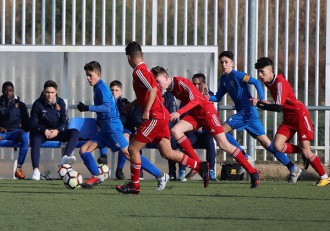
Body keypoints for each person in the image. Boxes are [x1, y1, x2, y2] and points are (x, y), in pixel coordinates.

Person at [116, 41, 209, 194]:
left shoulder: (138, 71)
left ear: (128, 58)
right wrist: (132, 105)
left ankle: (134, 185)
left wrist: (145, 110)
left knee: (132, 148)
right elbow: (149, 92)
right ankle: (200, 166)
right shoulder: (145, 70)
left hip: (155, 117)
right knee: (167, 152)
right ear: (142, 55)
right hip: (162, 115)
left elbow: (153, 89)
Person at [151, 66, 260, 188]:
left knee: (223, 145)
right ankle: (200, 165)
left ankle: (253, 172)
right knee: (176, 131)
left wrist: (179, 113)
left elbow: (196, 100)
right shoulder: (169, 89)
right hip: (195, 115)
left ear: (166, 77)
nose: (157, 85)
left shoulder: (180, 82)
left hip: (207, 112)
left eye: (158, 82)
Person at [206, 51, 301, 183]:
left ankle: (245, 157)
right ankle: (292, 168)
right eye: (221, 62)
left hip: (247, 112)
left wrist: (262, 99)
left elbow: (256, 82)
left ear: (232, 63)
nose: (223, 64)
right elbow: (217, 97)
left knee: (220, 132)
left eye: (226, 62)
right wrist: (205, 97)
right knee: (267, 143)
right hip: (247, 114)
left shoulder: (238, 75)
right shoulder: (224, 79)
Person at [77, 61, 169, 190]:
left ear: (98, 74)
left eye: (90, 75)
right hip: (105, 129)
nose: (87, 78)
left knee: (129, 154)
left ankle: (160, 175)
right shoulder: (97, 87)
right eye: (86, 75)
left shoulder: (101, 87)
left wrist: (87, 107)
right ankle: (97, 176)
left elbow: (107, 108)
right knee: (84, 150)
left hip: (113, 128)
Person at [251, 57, 330, 186]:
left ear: (270, 70)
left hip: (299, 115)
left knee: (306, 150)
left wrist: (259, 104)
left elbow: (278, 108)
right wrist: (266, 103)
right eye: (258, 72)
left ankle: (324, 177)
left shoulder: (280, 82)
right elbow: (280, 102)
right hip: (288, 118)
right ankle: (304, 152)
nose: (260, 75)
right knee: (277, 146)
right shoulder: (268, 82)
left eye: (262, 71)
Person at [169, 73, 218, 181]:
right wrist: (194, 124)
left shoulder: (210, 96)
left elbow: (212, 115)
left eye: (199, 84)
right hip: (193, 130)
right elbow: (184, 115)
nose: (196, 86)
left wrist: (204, 124)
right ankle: (182, 171)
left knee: (211, 142)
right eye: (194, 84)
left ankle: (211, 171)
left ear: (204, 84)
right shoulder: (187, 96)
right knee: (186, 141)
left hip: (205, 130)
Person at [30, 80, 80, 180]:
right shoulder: (37, 104)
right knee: (34, 140)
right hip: (42, 133)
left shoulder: (61, 102)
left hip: (56, 133)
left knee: (75, 132)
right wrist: (44, 130)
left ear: (56, 92)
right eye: (47, 92)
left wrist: (57, 130)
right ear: (44, 92)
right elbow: (33, 123)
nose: (49, 95)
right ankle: (36, 170)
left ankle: (65, 158)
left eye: (52, 92)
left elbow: (64, 121)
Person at [0, 81, 29, 179]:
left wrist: (23, 128)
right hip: (2, 133)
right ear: (2, 91)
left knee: (25, 136)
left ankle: (19, 168)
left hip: (15, 132)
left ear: (13, 91)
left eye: (10, 90)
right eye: (5, 90)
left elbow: (26, 122)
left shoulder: (20, 105)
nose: (8, 92)